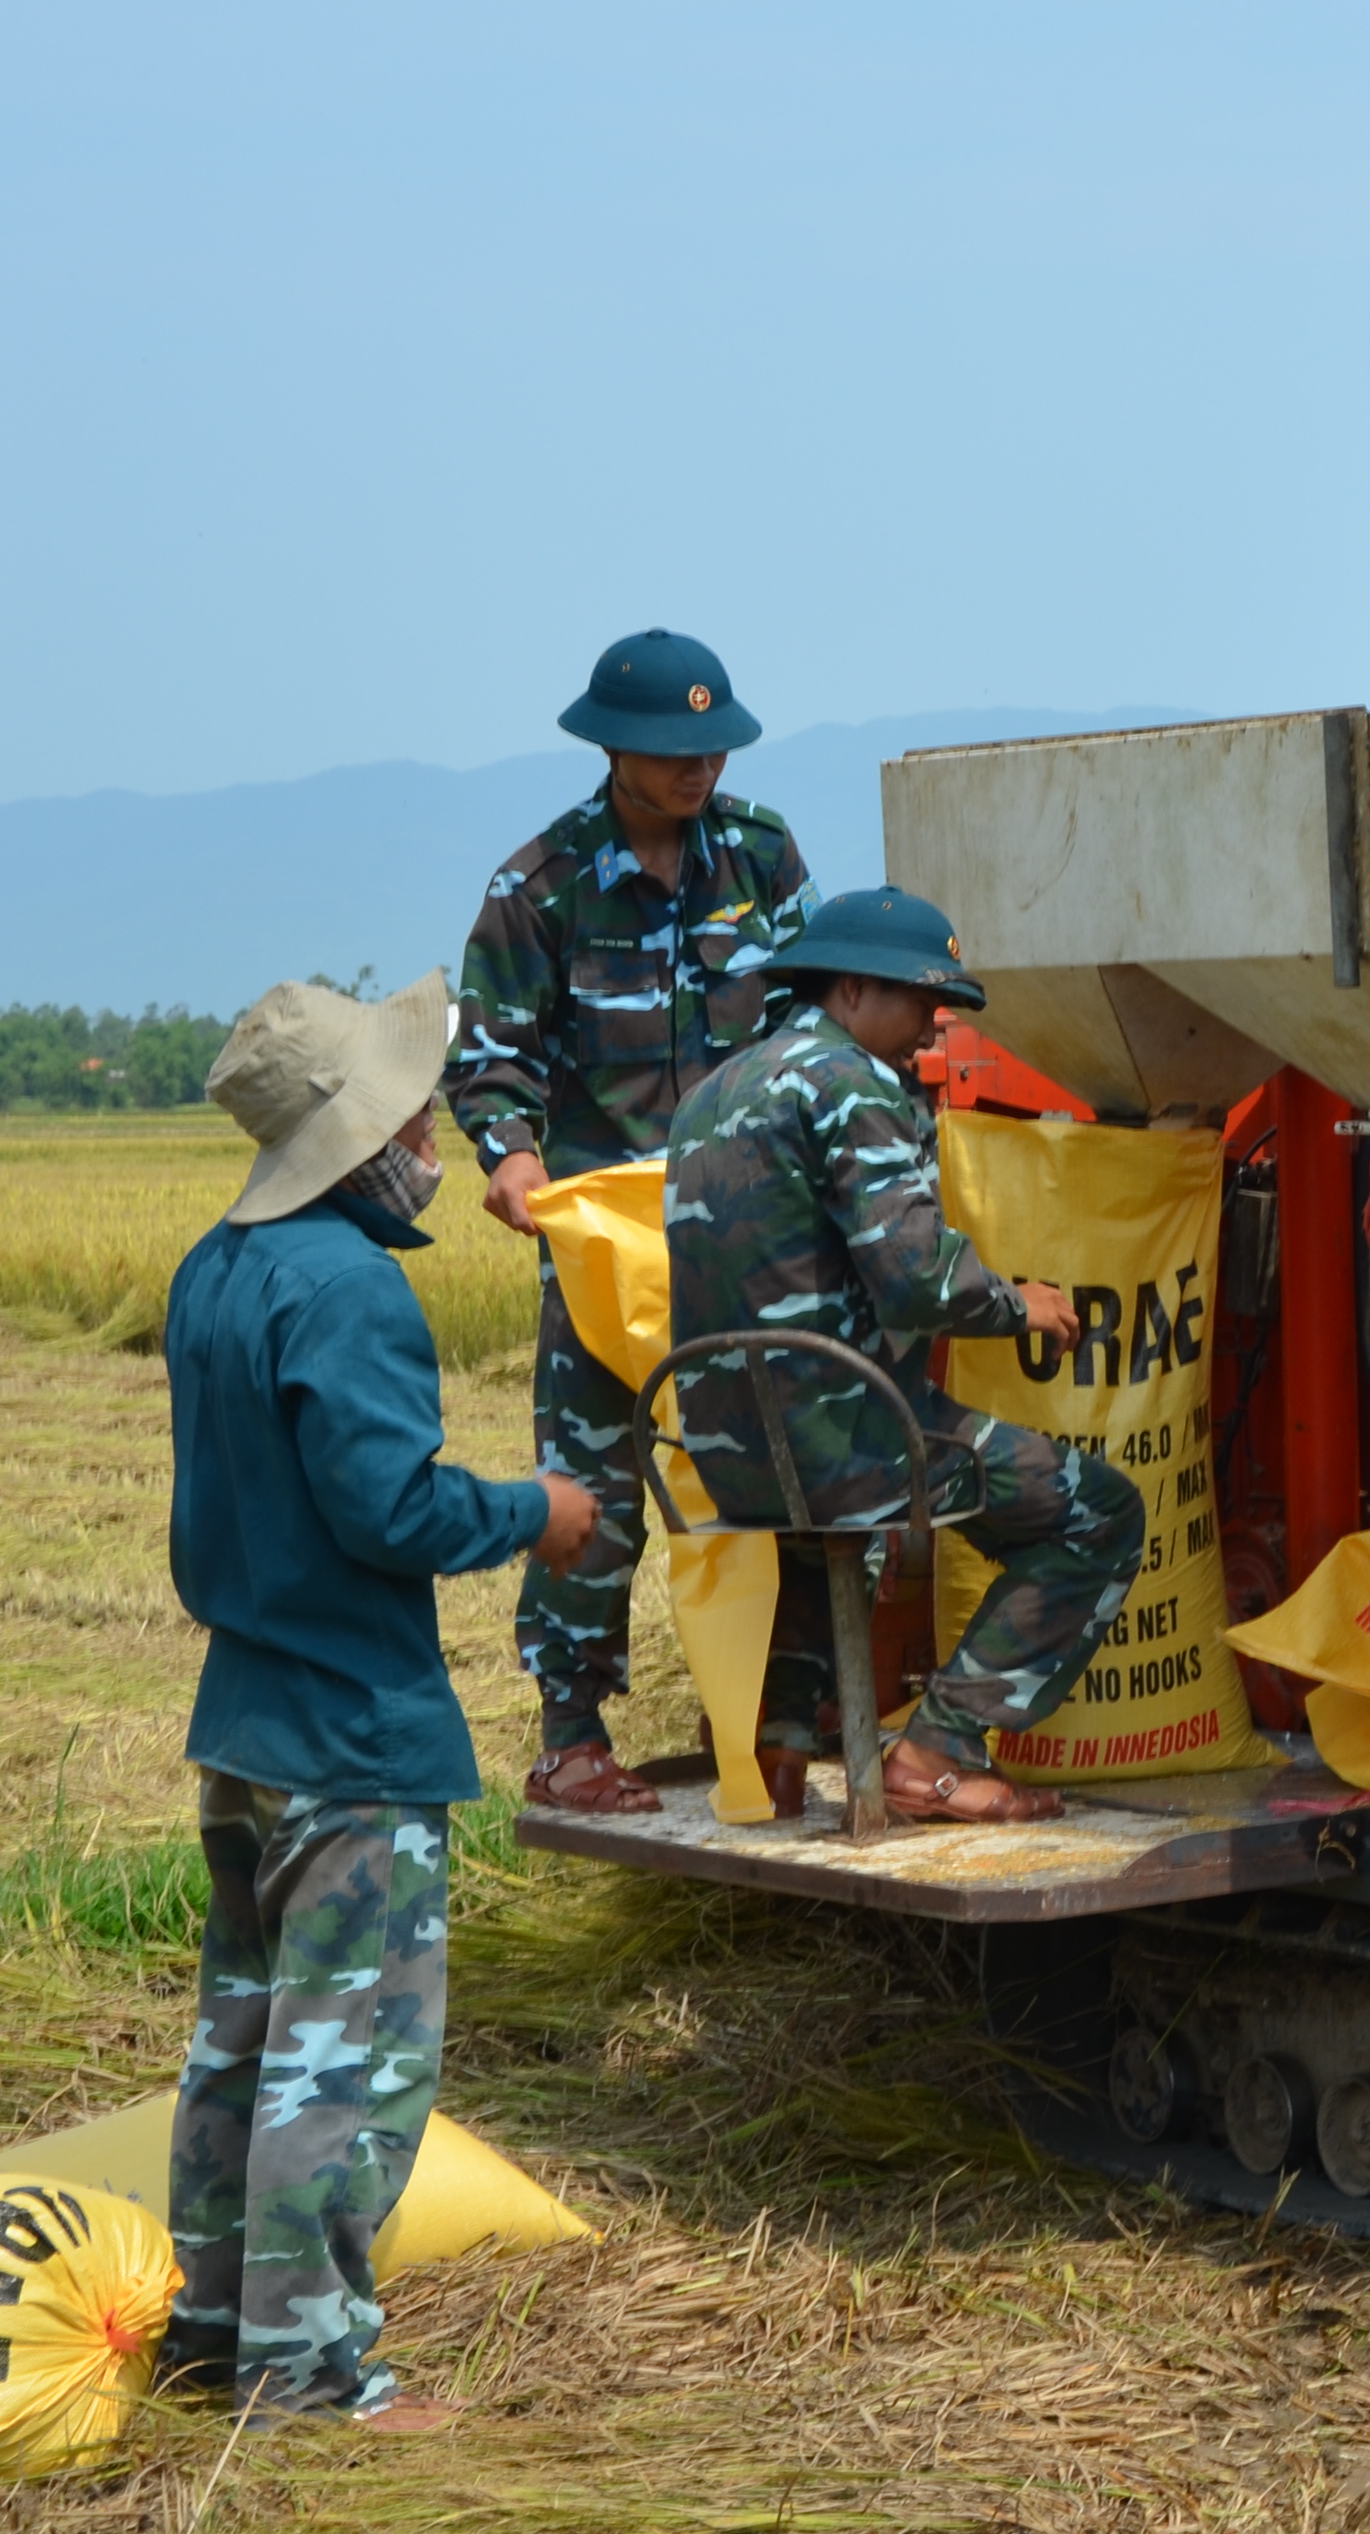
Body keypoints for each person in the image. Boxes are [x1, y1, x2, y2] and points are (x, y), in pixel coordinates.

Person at [161, 974, 596, 2427]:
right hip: (354, 1734)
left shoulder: (216, 1265)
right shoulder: (349, 1288)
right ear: (361, 1142)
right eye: (417, 1114)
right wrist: (534, 1510)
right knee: (342, 2069)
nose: (433, 1135)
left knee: (243, 2038)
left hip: (244, 1724)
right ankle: (313, 2375)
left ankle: (216, 2329)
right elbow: (388, 1512)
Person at [664, 885, 1147, 1824]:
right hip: (842, 1438)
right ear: (849, 989)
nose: (933, 1027)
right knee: (1101, 1514)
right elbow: (918, 1276)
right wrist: (1022, 1305)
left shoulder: (712, 1091)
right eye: (922, 1002)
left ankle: (778, 1755)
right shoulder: (851, 1085)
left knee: (827, 1538)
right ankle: (938, 1751)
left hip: (725, 1446)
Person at [449, 626, 817, 1816]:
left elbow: (815, 1021)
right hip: (608, 1246)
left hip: (752, 1235)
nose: (695, 768)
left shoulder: (761, 856)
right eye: (670, 751)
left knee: (784, 1472)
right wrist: (510, 1163)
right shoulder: (540, 885)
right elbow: (491, 1060)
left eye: (711, 746)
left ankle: (784, 1722)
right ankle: (571, 1736)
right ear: (611, 749)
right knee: (594, 1483)